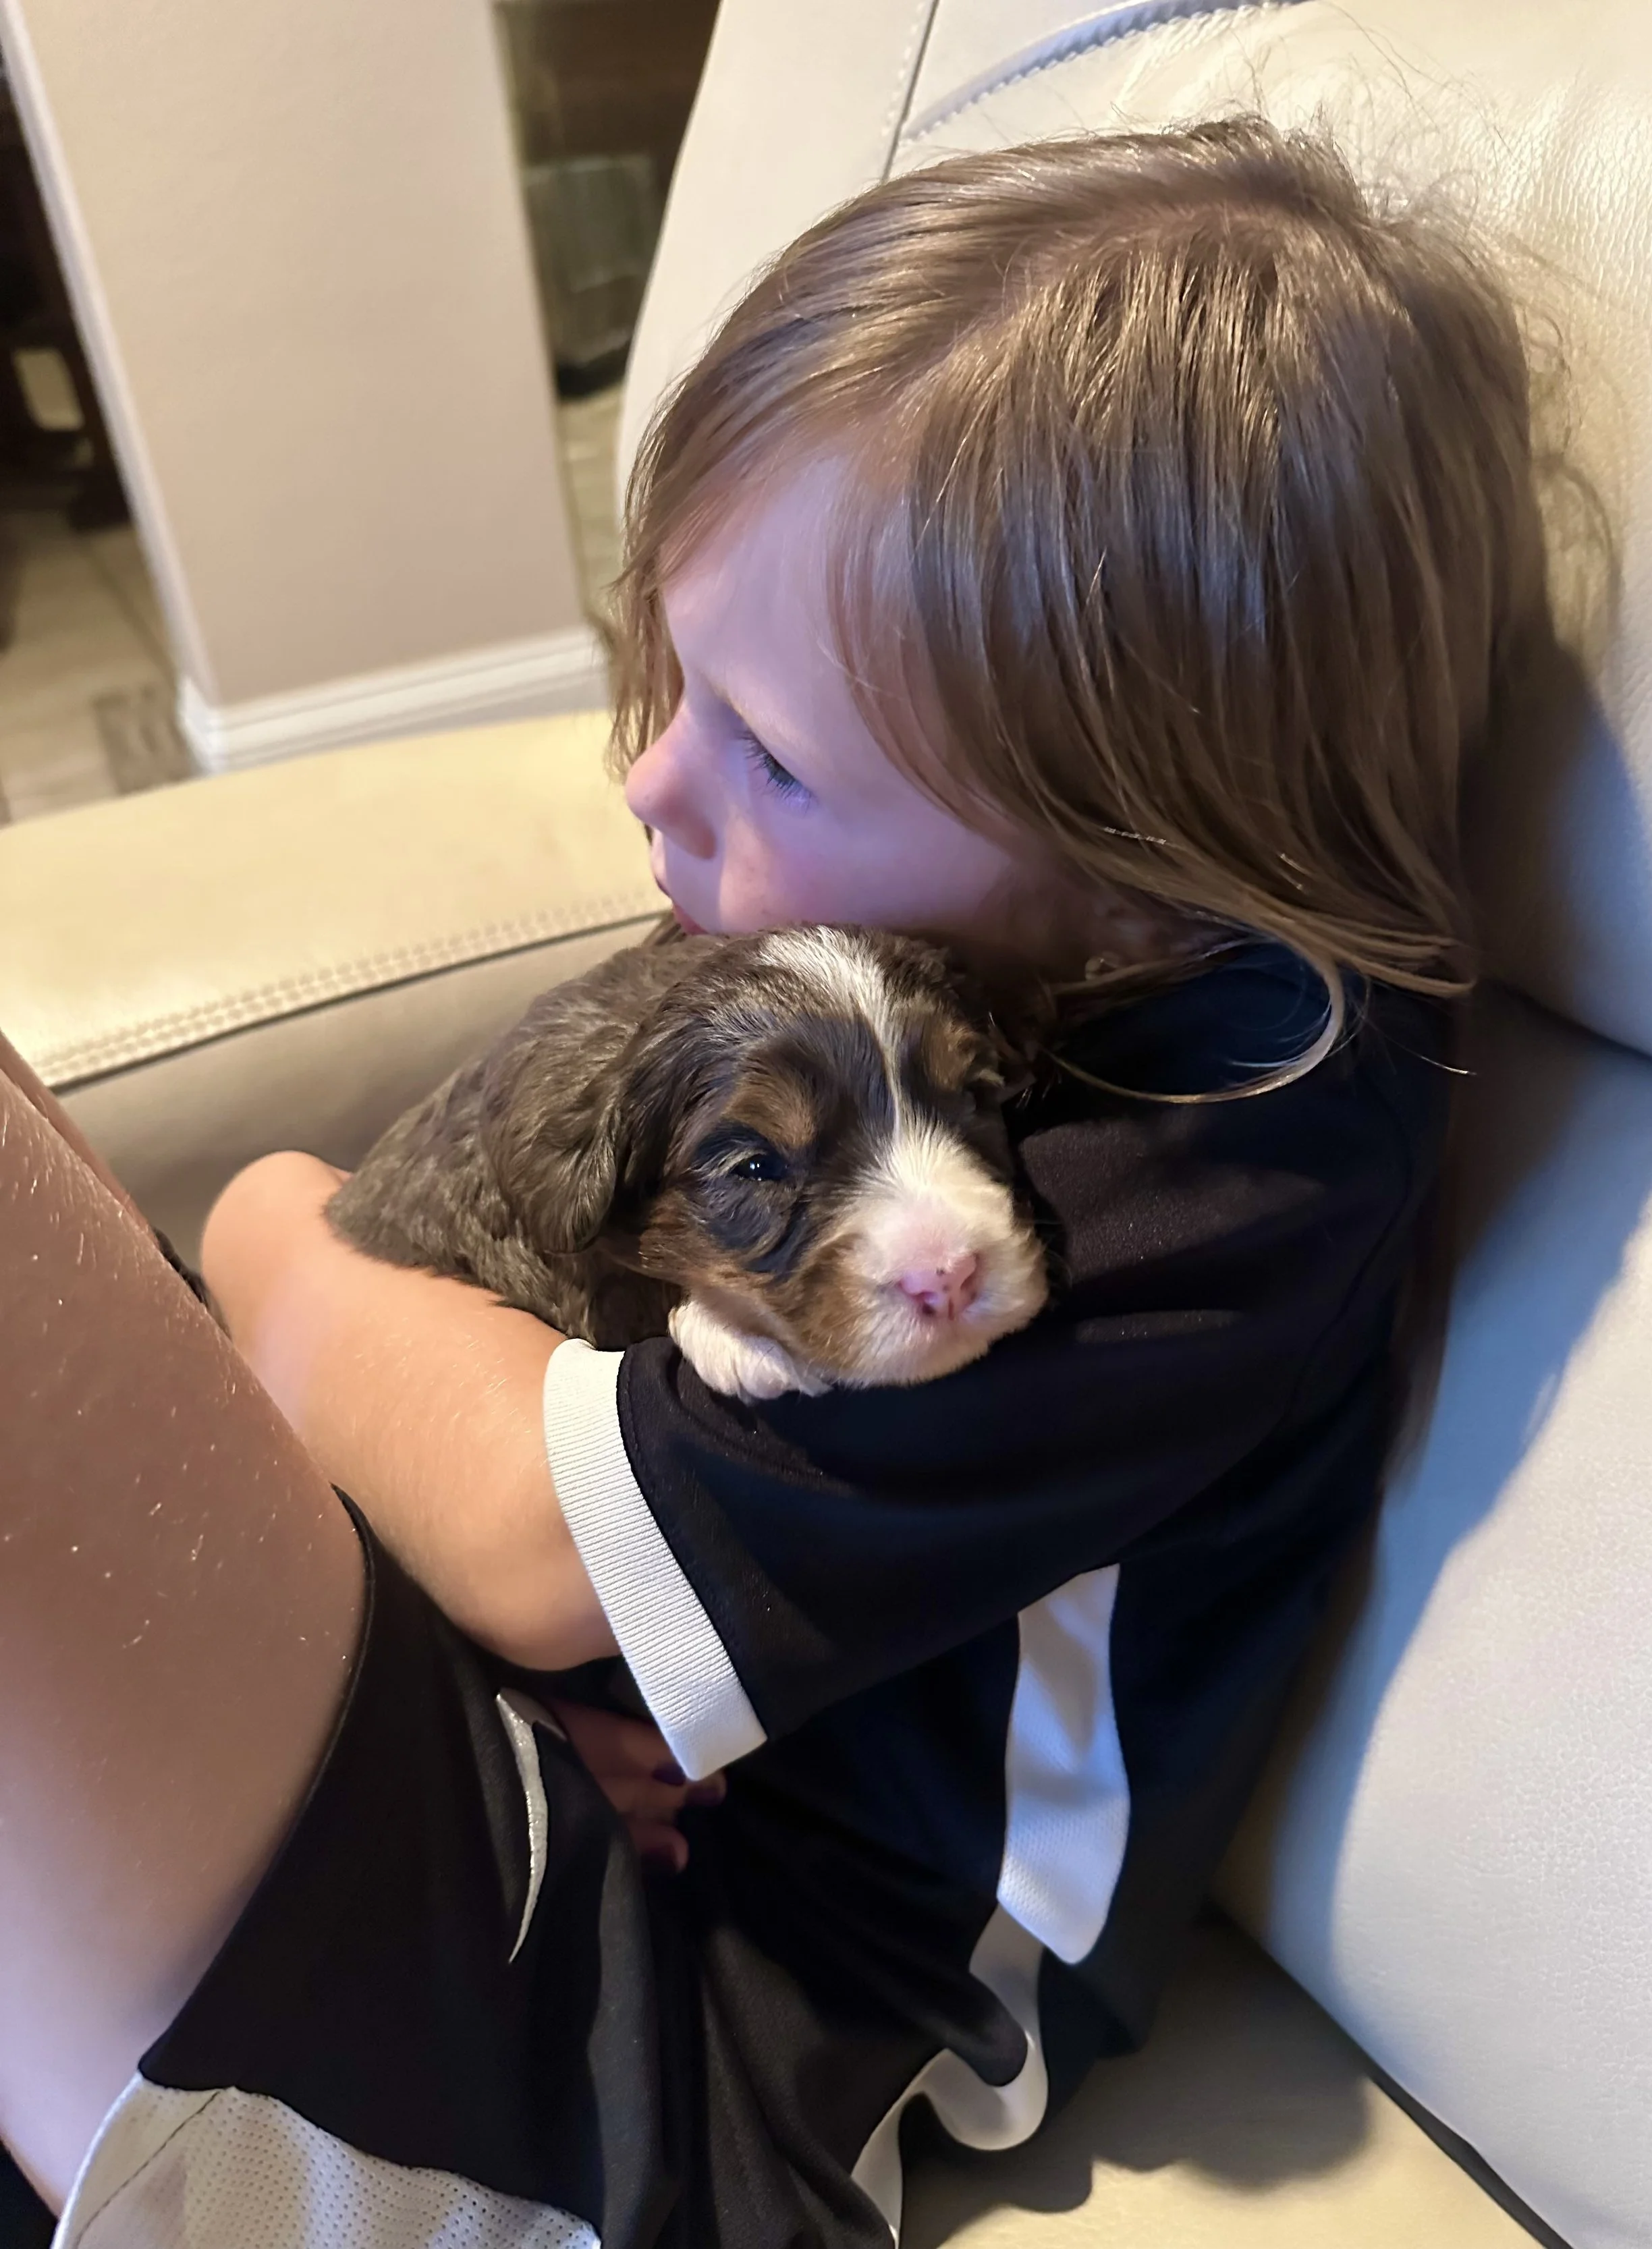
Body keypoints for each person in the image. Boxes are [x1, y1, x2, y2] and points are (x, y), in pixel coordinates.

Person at [0, 117, 1543, 2248]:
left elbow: (518, 1525)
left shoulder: (1207, 1172)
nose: (650, 784)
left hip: (689, 2030)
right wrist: (285, 1263)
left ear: (1132, 867)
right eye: (671, 676)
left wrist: (265, 1223)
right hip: (529, 1768)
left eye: (767, 748)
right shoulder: (860, 957)